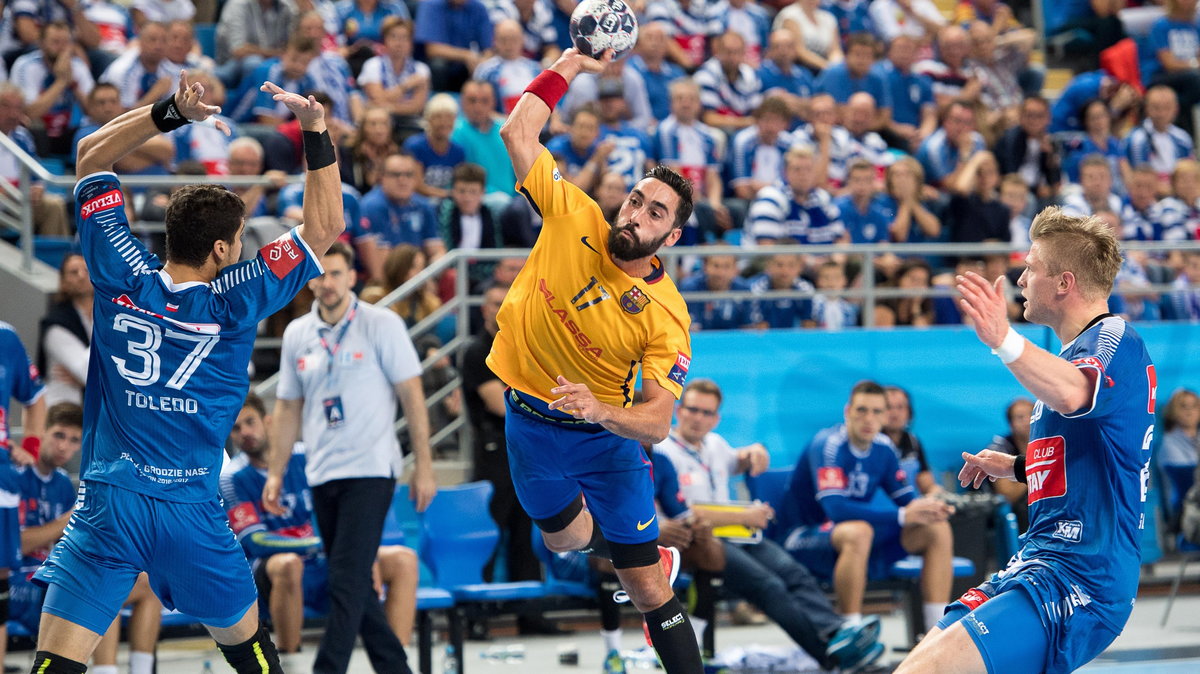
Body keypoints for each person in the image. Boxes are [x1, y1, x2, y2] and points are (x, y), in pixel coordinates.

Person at [27, 74, 341, 674]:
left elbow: (91, 153)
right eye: (241, 239)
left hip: (108, 501)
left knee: (56, 665)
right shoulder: (237, 297)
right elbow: (323, 228)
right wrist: (315, 131)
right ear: (223, 250)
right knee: (252, 655)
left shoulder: (122, 272)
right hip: (190, 510)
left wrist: (171, 111)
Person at [490, 47, 705, 672]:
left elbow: (659, 424)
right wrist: (572, 64)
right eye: (636, 200)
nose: (636, 214)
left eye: (656, 213)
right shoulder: (572, 214)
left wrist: (601, 410)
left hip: (603, 439)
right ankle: (633, 549)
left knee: (644, 587)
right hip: (528, 423)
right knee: (566, 541)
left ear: (672, 237)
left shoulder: (667, 316)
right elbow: (518, 130)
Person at [898, 207, 1155, 673]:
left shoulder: (1115, 337)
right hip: (1038, 562)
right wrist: (1018, 467)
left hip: (1082, 575)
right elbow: (1091, 450)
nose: (1020, 279)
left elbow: (1077, 391)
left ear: (1064, 282)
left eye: (1031, 268)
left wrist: (1003, 339)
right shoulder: (1069, 355)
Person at [268, 240, 436, 674]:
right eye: (320, 275)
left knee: (345, 578)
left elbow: (412, 396)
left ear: (353, 277)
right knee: (355, 581)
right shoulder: (297, 334)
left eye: (336, 274)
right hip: (322, 472)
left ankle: (328, 669)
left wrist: (424, 465)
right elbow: (287, 408)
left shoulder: (381, 324)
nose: (327, 283)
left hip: (371, 469)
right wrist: (276, 471)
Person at [655, 379, 885, 671]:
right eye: (693, 410)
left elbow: (739, 460)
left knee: (794, 573)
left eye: (706, 413)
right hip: (700, 542)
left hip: (738, 536)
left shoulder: (714, 444)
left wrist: (755, 450)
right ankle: (833, 658)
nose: (698, 418)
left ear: (717, 418)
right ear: (678, 410)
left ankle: (838, 634)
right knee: (771, 587)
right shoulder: (665, 451)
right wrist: (743, 516)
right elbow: (684, 512)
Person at [223, 393, 418, 655]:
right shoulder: (232, 477)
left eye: (250, 422)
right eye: (236, 428)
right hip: (269, 572)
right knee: (288, 563)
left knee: (403, 560)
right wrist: (320, 543)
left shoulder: (307, 456)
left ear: (268, 422)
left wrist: (361, 553)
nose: (245, 432)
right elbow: (255, 541)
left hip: (323, 560)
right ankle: (289, 658)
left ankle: (398, 659)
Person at [783, 381, 955, 635]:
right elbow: (836, 510)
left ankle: (937, 632)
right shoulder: (827, 444)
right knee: (858, 530)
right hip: (803, 537)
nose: (868, 419)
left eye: (876, 412)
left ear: (885, 417)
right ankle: (850, 634)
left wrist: (931, 508)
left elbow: (906, 500)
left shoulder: (884, 448)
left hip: (855, 543)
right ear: (847, 412)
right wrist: (904, 515)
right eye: (861, 410)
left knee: (936, 527)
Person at [11, 403, 163, 674]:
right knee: (100, 586)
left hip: (50, 578)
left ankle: (143, 670)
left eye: (73, 441)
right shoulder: (16, 475)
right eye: (58, 435)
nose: (64, 447)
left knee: (146, 584)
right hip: (16, 582)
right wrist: (65, 521)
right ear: (42, 432)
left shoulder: (61, 482)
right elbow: (13, 544)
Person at [37, 254, 93, 409]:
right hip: (63, 410)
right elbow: (87, 372)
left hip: (95, 410)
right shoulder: (56, 324)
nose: (82, 276)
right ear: (63, 281)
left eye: (87, 271)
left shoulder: (104, 316)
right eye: (74, 272)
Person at [980, 397, 1033, 531]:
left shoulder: (1051, 445)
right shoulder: (999, 449)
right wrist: (1036, 468)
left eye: (1031, 415)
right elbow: (1008, 495)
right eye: (1020, 417)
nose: (1027, 421)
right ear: (1011, 424)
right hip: (1001, 512)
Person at [883, 385, 941, 495]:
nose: (894, 413)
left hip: (911, 508)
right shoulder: (871, 443)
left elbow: (927, 484)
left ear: (909, 412)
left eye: (900, 407)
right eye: (888, 407)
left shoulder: (913, 442)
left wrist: (936, 493)